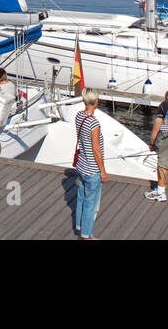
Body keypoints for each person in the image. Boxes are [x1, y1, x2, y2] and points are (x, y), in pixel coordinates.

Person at [73, 88, 108, 238]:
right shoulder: (94, 123)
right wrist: (103, 171)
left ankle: (80, 226)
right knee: (90, 203)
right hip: (92, 168)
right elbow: (96, 149)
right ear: (96, 102)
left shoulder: (79, 116)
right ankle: (86, 234)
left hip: (81, 165)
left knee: (81, 197)